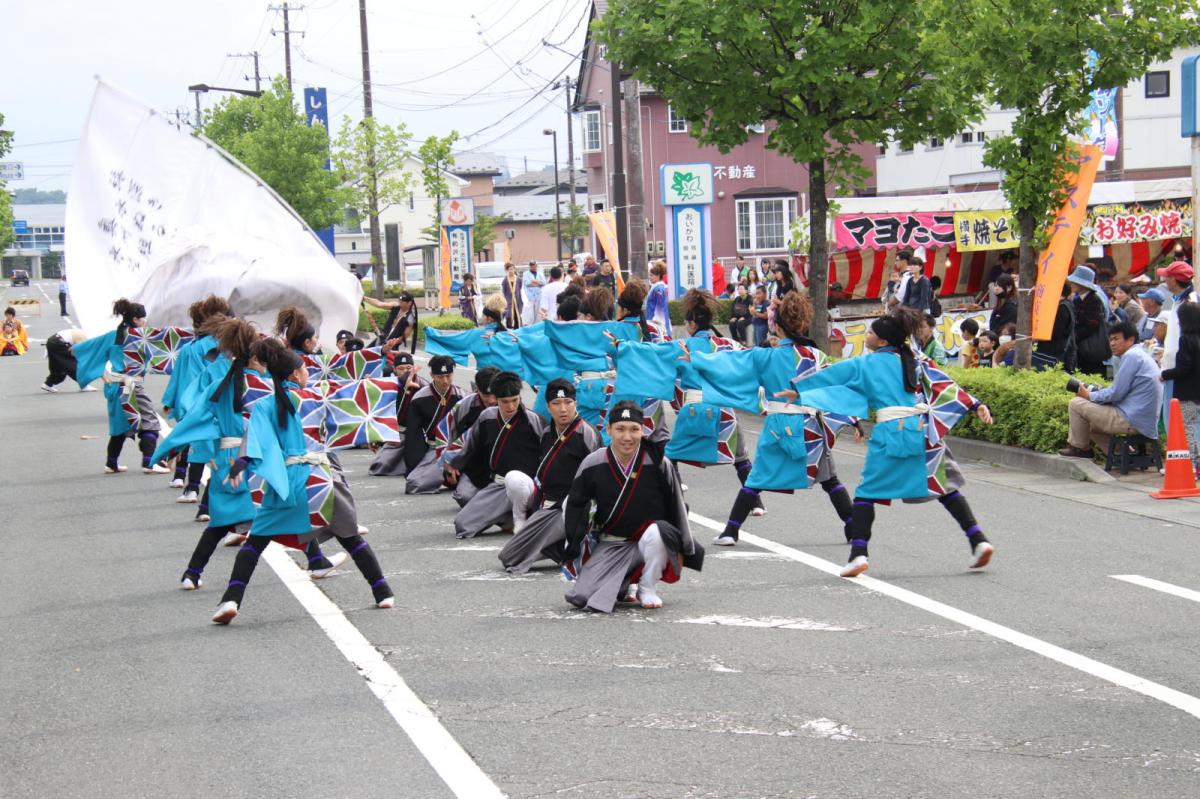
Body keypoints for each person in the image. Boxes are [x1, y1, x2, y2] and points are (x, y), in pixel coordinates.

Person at [790, 307, 996, 578]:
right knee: (943, 486)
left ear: (883, 341)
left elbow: (832, 376)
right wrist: (976, 404)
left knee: (866, 492)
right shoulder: (916, 358)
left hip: (891, 431)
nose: (867, 334)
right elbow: (944, 384)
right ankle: (978, 540)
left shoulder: (867, 363)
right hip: (923, 430)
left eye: (871, 332)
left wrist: (797, 389)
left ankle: (858, 554)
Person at [210, 339, 393, 624]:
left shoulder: (265, 405)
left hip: (287, 484)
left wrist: (237, 470)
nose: (308, 372)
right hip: (320, 480)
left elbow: (254, 447)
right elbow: (356, 403)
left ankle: (230, 600)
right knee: (351, 537)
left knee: (254, 544)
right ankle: (382, 591)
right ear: (295, 374)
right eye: (305, 368)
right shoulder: (317, 396)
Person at [689, 291, 857, 546]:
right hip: (811, 428)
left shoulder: (765, 356)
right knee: (830, 480)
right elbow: (836, 387)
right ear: (802, 323)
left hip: (780, 425)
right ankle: (853, 528)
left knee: (757, 479)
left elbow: (731, 363)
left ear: (776, 326)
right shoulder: (816, 356)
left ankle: (731, 531)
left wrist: (697, 358)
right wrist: (853, 419)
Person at [563, 400, 704, 611]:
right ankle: (624, 584)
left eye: (634, 430)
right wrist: (574, 549)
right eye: (620, 429)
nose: (627, 437)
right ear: (608, 429)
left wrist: (685, 548)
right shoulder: (593, 462)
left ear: (643, 430)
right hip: (610, 542)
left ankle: (647, 587)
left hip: (648, 541)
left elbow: (676, 506)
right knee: (581, 597)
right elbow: (575, 506)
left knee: (659, 532)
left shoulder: (658, 463)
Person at [498, 379, 603, 574]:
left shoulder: (586, 433)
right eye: (556, 404)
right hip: (549, 507)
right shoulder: (547, 433)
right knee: (508, 556)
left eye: (568, 403)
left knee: (515, 557)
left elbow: (598, 478)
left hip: (576, 508)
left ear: (575, 403)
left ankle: (579, 546)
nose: (563, 409)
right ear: (548, 407)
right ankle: (563, 549)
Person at [71, 299, 168, 475]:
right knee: (150, 422)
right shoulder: (141, 336)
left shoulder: (112, 336)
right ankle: (149, 462)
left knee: (120, 426)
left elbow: (82, 349)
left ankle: (111, 463)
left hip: (115, 385)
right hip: (132, 385)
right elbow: (167, 346)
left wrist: (99, 371)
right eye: (143, 319)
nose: (145, 321)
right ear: (136, 319)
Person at [444, 371, 544, 537]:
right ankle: (506, 518)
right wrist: (453, 463)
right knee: (463, 525)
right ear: (496, 400)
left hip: (528, 486)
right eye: (505, 402)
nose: (511, 406)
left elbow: (549, 454)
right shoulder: (486, 417)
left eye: (514, 400)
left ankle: (527, 515)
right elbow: (471, 446)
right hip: (499, 484)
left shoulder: (533, 420)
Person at [1059, 322, 1162, 458]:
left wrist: (1089, 395)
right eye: (1111, 339)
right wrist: (1097, 393)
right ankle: (1123, 455)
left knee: (1076, 403)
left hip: (1132, 418)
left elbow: (1115, 394)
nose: (1112, 343)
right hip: (1142, 418)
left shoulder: (1132, 356)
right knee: (1093, 427)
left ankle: (1080, 448)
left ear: (1130, 340)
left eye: (1116, 339)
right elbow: (1119, 391)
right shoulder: (1139, 355)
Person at [403, 356, 464, 494]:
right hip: (435, 449)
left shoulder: (462, 397)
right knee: (414, 484)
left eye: (448, 376)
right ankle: (442, 476)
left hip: (457, 449)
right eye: (440, 377)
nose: (445, 381)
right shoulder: (420, 398)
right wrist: (415, 463)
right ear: (431, 375)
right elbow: (414, 433)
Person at [367, 352, 426, 477]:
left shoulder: (424, 387)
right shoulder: (389, 386)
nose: (405, 371)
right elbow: (380, 412)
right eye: (401, 368)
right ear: (394, 369)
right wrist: (375, 435)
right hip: (398, 434)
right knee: (379, 467)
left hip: (420, 435)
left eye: (409, 368)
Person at [1160, 302, 1200, 472]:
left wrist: (1165, 374)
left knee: (1188, 428)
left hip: (1187, 392)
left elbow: (1184, 368)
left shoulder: (1186, 340)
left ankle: (1191, 464)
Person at [1067, 265, 1111, 377]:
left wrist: (1074, 336)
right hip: (1081, 349)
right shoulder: (1077, 300)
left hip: (1091, 349)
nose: (1072, 284)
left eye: (1075, 282)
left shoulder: (1094, 300)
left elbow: (1091, 325)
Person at [41, 327, 95, 392]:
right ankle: (84, 385)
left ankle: (48, 384)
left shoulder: (81, 333)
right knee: (72, 364)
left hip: (52, 341)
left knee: (58, 368)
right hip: (59, 343)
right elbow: (78, 353)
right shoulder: (84, 338)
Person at [646, 260, 671, 335]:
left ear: (658, 276)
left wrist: (654, 325)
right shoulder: (658, 287)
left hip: (657, 324)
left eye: (651, 275)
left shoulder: (658, 289)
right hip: (656, 323)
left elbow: (659, 309)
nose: (650, 277)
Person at [500, 262, 523, 328]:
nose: (511, 271)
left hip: (517, 300)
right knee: (509, 315)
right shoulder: (505, 280)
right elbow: (503, 290)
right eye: (509, 269)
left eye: (512, 269)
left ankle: (517, 329)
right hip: (508, 300)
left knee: (517, 315)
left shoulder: (518, 279)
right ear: (507, 270)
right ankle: (509, 329)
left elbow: (521, 288)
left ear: (514, 270)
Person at [521, 260, 543, 326]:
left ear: (536, 266)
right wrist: (538, 283)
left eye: (534, 265)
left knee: (538, 314)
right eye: (531, 265)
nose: (533, 267)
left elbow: (543, 282)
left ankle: (537, 327)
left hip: (538, 296)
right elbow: (527, 283)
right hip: (529, 296)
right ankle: (530, 326)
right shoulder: (526, 274)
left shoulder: (540, 273)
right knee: (530, 314)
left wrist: (533, 281)